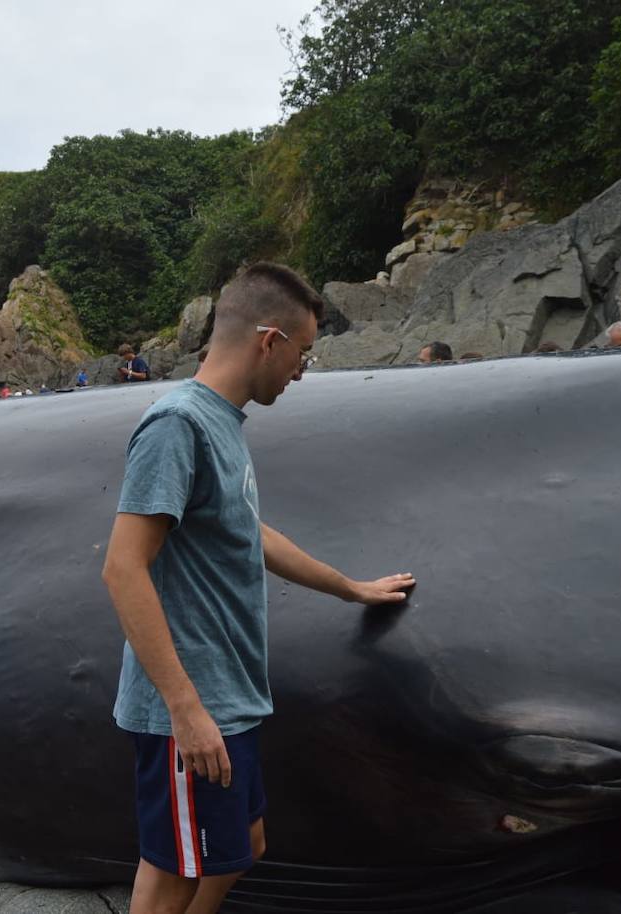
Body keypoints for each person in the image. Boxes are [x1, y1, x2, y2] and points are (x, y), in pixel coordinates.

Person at [102, 262, 415, 914]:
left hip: (230, 697)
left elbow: (251, 534)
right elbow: (123, 568)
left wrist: (349, 589)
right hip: (190, 710)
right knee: (171, 874)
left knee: (245, 845)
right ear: (269, 340)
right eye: (303, 352)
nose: (304, 368)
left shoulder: (223, 423)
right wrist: (185, 711)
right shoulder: (176, 426)